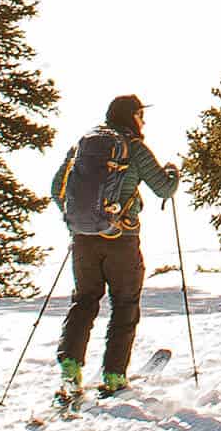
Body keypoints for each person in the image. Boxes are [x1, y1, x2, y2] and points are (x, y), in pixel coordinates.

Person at [50, 94, 179, 403]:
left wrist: (81, 220)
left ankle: (70, 369)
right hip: (121, 239)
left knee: (83, 301)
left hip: (83, 240)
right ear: (132, 116)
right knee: (124, 303)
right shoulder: (133, 147)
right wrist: (174, 172)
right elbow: (163, 187)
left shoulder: (83, 144)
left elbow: (58, 189)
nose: (143, 121)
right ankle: (114, 376)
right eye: (140, 115)